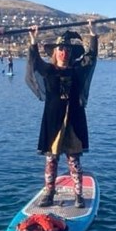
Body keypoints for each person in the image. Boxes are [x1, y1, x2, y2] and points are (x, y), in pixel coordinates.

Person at [25, 22, 98, 208]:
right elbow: (34, 63)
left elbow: (90, 58)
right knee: (51, 159)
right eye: (60, 49)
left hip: (74, 118)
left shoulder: (77, 70)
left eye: (67, 49)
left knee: (74, 160)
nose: (64, 52)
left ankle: (78, 195)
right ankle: (49, 193)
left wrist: (93, 35)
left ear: (71, 53)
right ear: (55, 53)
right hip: (53, 119)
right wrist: (33, 42)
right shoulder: (48, 70)